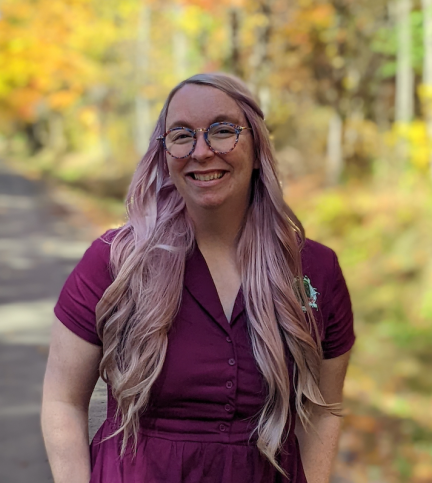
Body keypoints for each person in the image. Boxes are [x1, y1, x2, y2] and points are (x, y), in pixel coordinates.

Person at [41, 72, 355, 483]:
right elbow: (63, 400)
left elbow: (324, 409)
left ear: (257, 145)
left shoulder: (313, 270)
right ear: (164, 153)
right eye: (182, 134)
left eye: (222, 131)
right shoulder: (116, 262)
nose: (202, 151)